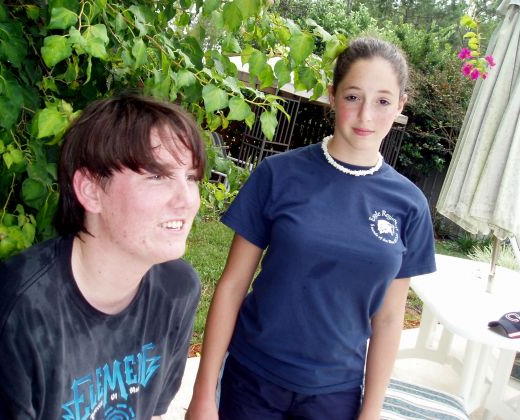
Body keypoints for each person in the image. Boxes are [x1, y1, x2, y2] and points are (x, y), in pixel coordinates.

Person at [186, 37, 436, 420]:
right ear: (333, 96)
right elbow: (232, 286)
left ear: (400, 106)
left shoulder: (410, 205)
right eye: (353, 97)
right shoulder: (278, 174)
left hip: (335, 395)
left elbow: (388, 319)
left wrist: (371, 413)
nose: (366, 115)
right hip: (253, 379)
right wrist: (203, 394)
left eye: (383, 101)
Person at [0, 93, 206, 419]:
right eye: (157, 176)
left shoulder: (178, 289)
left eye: (190, 178)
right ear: (91, 190)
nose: (187, 200)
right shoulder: (14, 315)